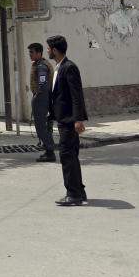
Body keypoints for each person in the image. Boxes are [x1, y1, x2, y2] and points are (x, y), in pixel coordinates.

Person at [47, 35, 88, 206]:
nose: (47, 51)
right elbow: (60, 95)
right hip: (63, 118)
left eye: (48, 48)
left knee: (67, 155)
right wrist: (52, 112)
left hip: (70, 120)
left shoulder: (69, 67)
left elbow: (76, 95)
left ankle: (73, 194)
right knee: (71, 155)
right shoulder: (59, 67)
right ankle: (79, 190)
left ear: (55, 50)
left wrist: (78, 119)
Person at [28, 42, 56, 162]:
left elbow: (43, 86)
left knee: (41, 127)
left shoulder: (41, 67)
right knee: (47, 127)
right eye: (29, 52)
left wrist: (36, 99)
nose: (30, 54)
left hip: (42, 100)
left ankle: (50, 151)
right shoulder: (40, 64)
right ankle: (49, 151)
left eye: (32, 52)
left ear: (39, 53)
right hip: (47, 99)